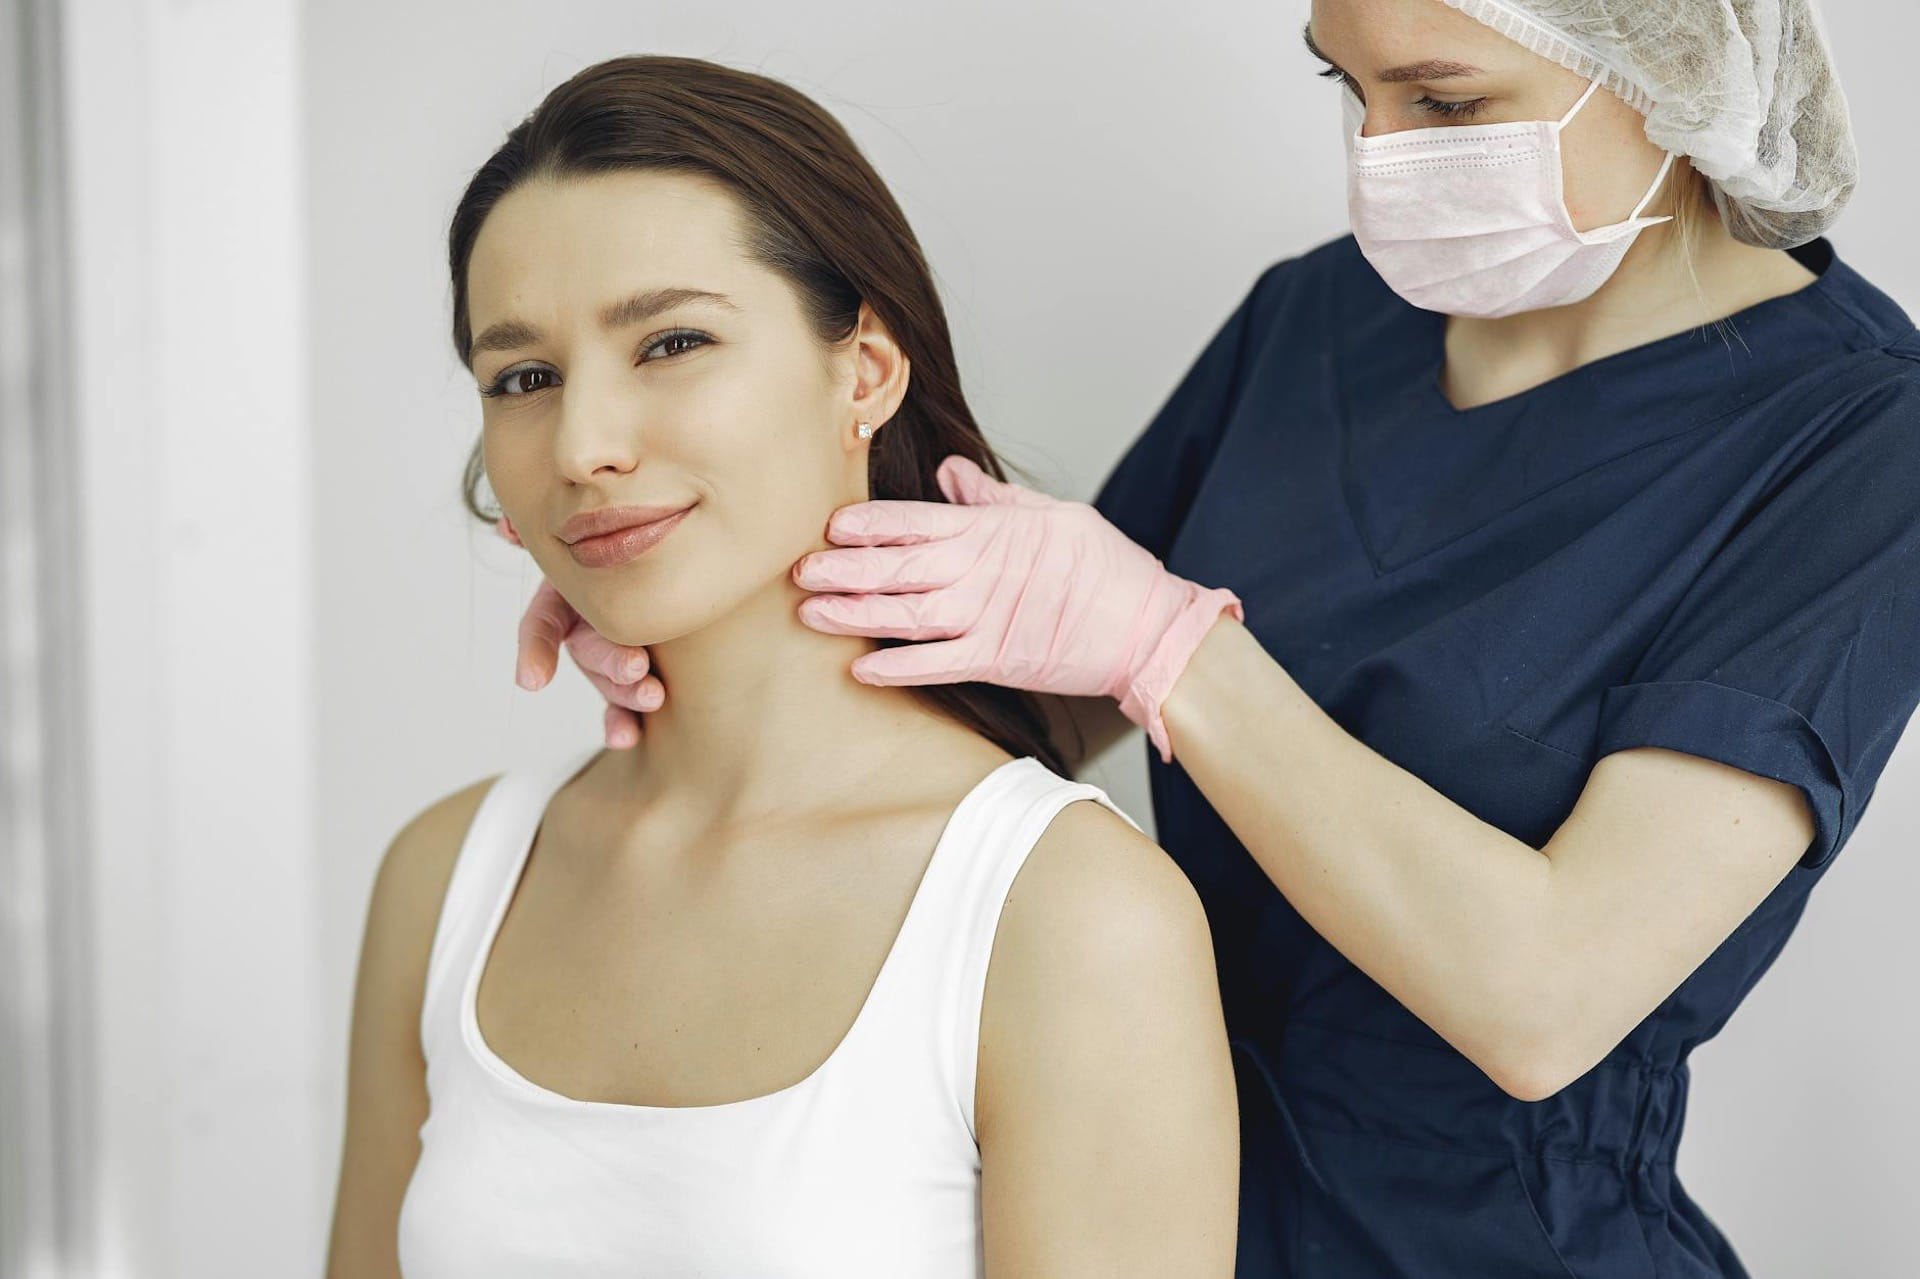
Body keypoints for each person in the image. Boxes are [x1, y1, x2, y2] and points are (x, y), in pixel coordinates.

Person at [513, 1, 1920, 1275]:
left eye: (1443, 101)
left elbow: (1543, 997)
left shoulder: (1857, 441)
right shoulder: (1319, 318)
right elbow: (1027, 707)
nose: (1380, 154)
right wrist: (707, 594)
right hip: (1146, 1202)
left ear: (1673, 66)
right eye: (1346, 87)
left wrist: (1175, 646)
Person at [323, 55, 1240, 1279]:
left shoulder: (1069, 914)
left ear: (865, 372)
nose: (584, 447)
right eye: (525, 378)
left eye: (672, 341)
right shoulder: (448, 879)